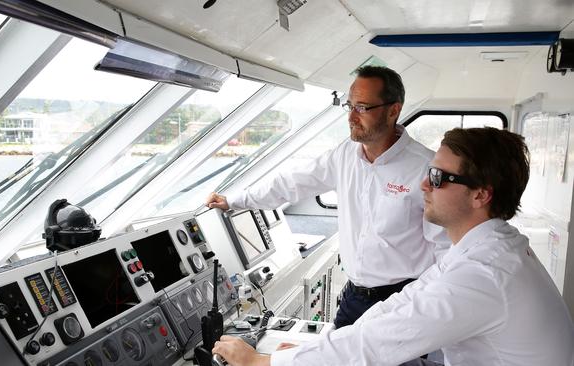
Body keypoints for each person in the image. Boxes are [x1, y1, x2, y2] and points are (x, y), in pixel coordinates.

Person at [212, 127, 574, 366]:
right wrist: (307, 351)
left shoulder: (484, 273)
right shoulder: (489, 246)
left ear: (481, 194)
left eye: (437, 177)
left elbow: (378, 343)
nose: (423, 185)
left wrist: (264, 361)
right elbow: (406, 302)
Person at [207, 66, 449, 328]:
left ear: (393, 110)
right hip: (354, 299)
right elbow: (291, 183)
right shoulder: (345, 154)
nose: (352, 117)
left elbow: (446, 249)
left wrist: (417, 304)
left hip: (401, 301)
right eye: (350, 106)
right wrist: (234, 200)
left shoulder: (425, 168)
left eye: (362, 108)